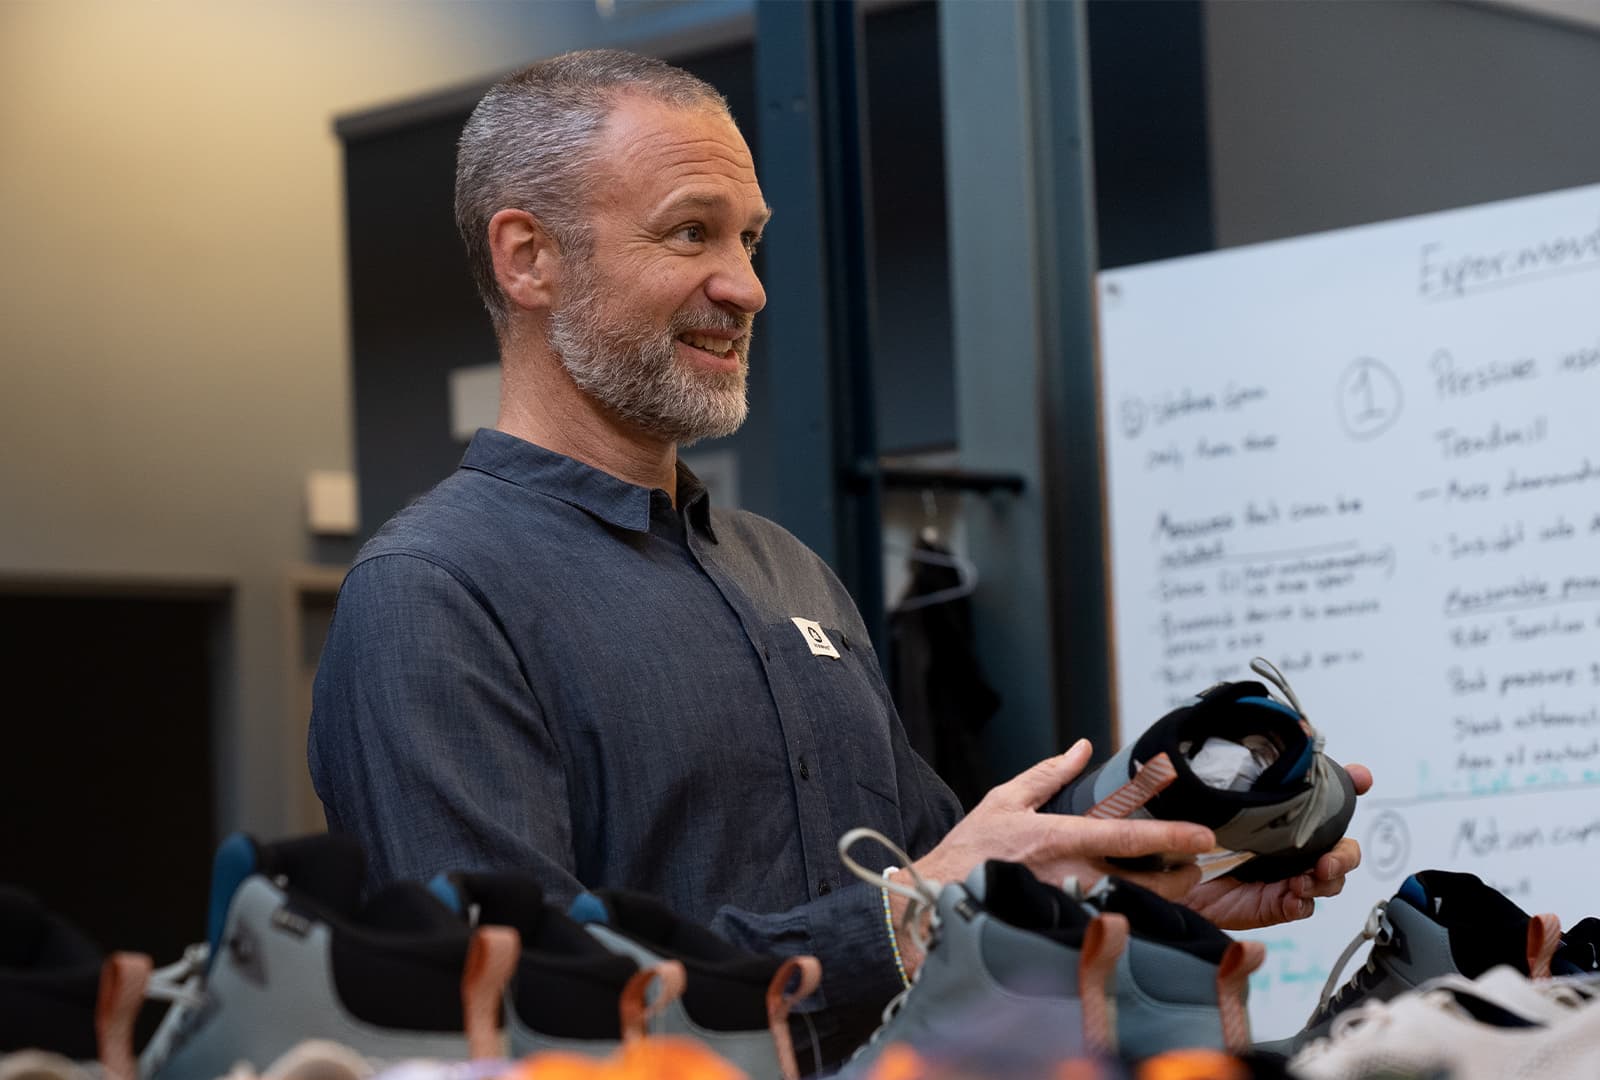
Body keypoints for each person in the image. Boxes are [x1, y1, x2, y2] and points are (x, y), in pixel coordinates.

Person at [308, 49, 1370, 1063]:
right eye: (690, 235)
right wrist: (906, 913)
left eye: (750, 241)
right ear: (528, 257)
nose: (746, 288)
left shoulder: (787, 575)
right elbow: (517, 999)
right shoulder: (431, 596)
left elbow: (943, 899)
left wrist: (1136, 887)